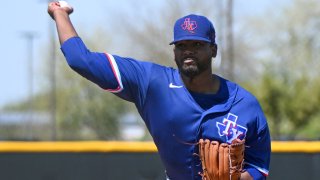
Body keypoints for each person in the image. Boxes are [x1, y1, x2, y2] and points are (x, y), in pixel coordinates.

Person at [48, 1, 271, 180]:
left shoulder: (245, 105)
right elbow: (80, 60)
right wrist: (61, 13)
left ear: (213, 50)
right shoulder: (152, 83)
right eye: (182, 45)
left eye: (197, 44)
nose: (188, 51)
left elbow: (259, 167)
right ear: (174, 51)